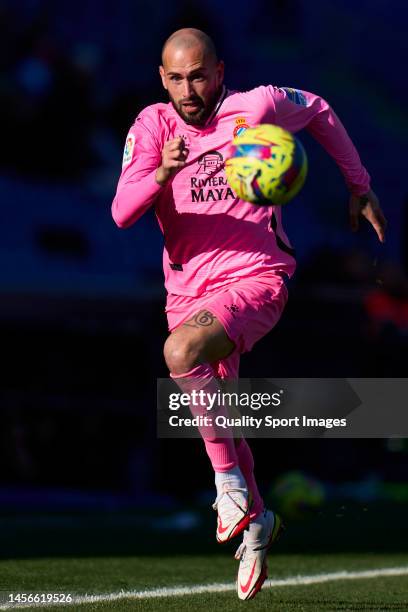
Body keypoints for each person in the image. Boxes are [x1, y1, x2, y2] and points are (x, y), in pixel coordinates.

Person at [111, 28, 387, 600]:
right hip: (187, 293)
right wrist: (161, 173)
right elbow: (121, 213)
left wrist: (358, 186)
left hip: (257, 278)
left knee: (180, 353)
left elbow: (320, 109)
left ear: (218, 70)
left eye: (199, 75)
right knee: (223, 411)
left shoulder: (254, 107)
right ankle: (257, 521)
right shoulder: (152, 127)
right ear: (163, 78)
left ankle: (227, 485)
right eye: (177, 78)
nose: (189, 89)